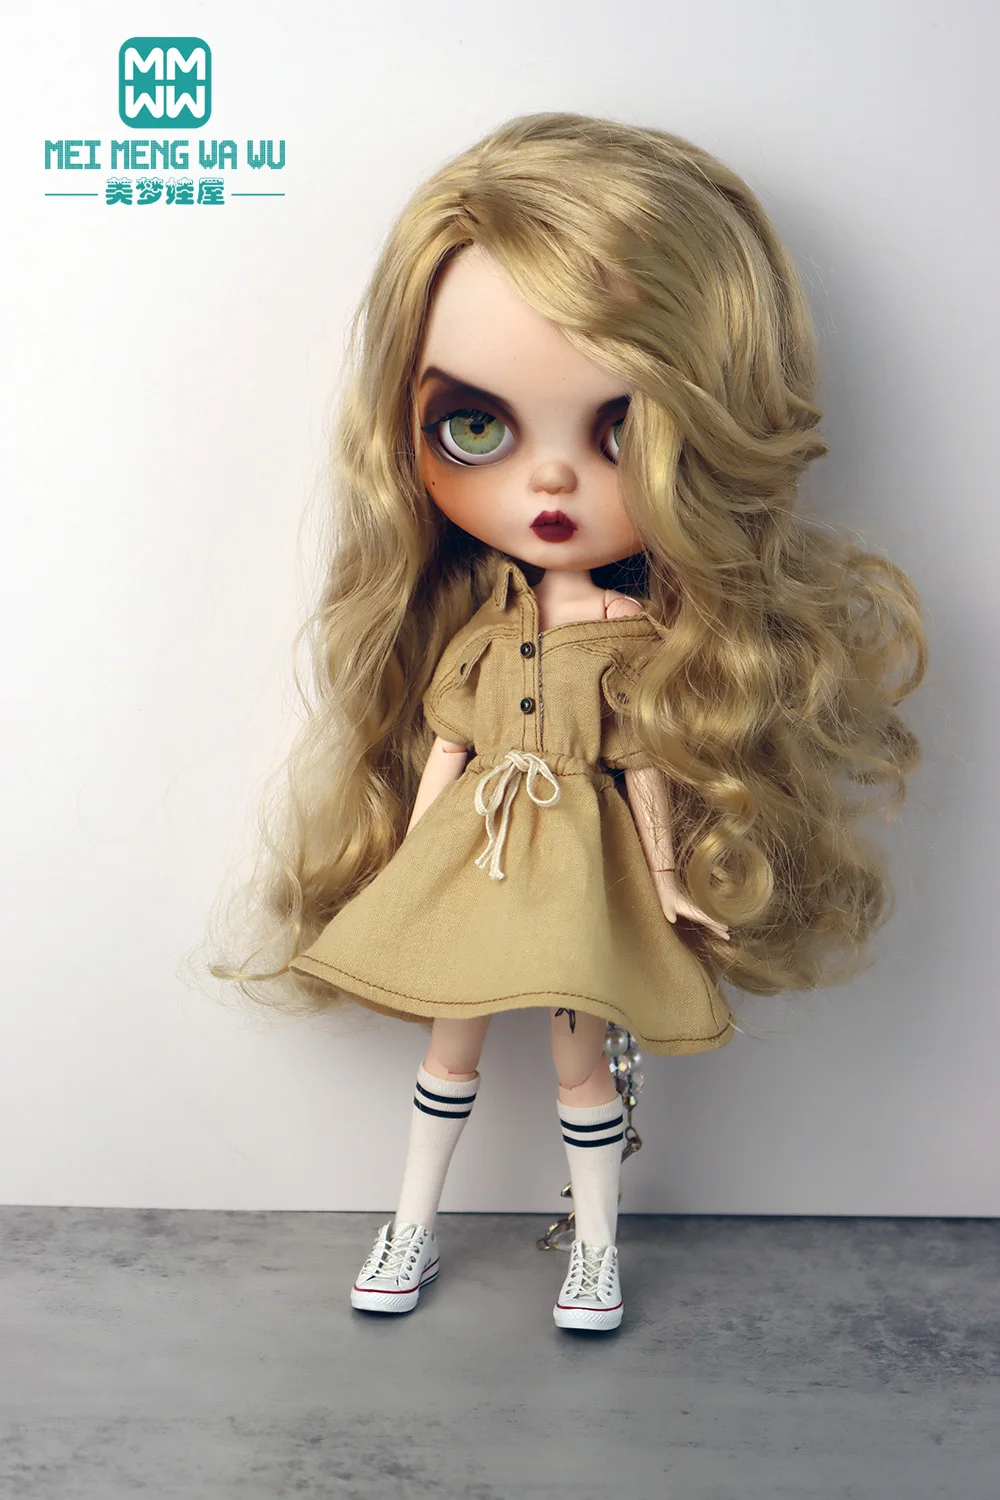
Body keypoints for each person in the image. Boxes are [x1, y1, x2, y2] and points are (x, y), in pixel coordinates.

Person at [210, 113, 926, 1333]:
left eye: (621, 430)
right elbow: (447, 752)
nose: (547, 482)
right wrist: (402, 871)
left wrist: (668, 885)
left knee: (577, 1062)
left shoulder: (630, 643)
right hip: (472, 861)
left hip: (578, 877)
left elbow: (643, 768)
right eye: (476, 427)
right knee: (447, 1052)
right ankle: (410, 1223)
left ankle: (594, 1250)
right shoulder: (481, 635)